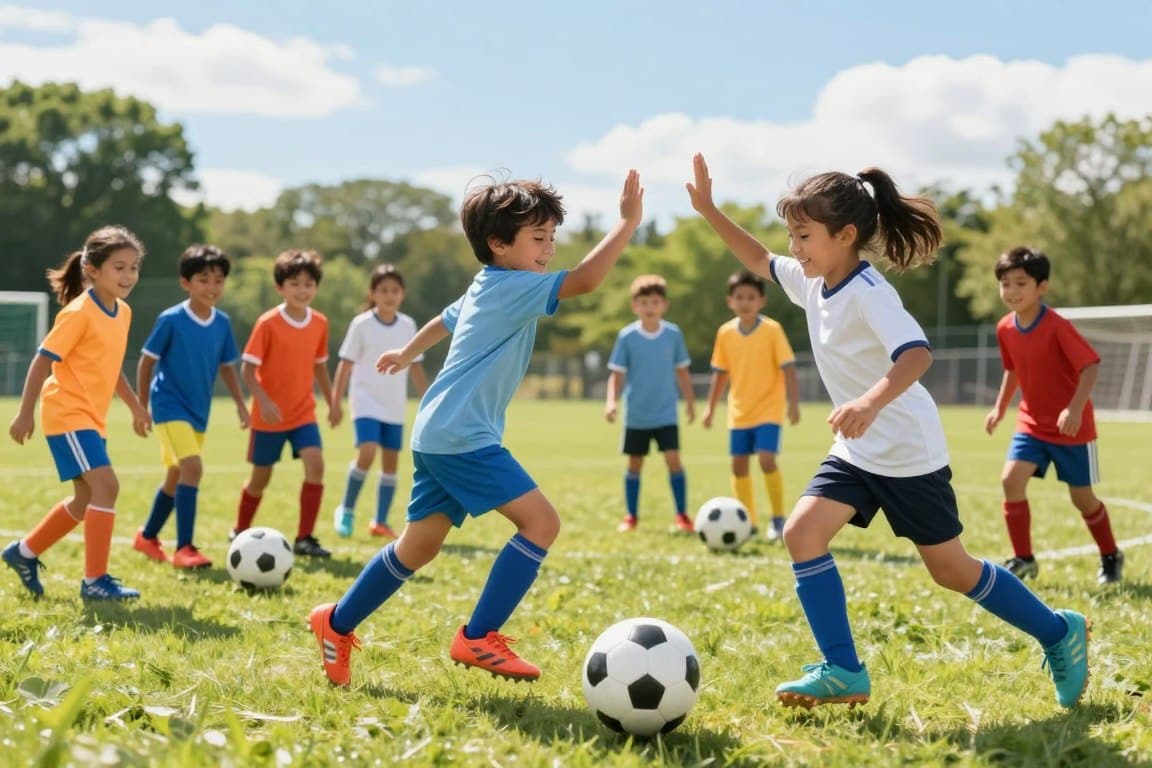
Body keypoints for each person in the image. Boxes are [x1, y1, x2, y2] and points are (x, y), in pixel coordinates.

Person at [686, 153, 1090, 709]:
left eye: (804, 235)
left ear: (846, 235)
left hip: (906, 452)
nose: (794, 247)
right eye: (792, 235)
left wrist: (871, 402)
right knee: (802, 534)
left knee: (952, 570)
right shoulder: (813, 283)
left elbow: (917, 354)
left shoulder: (870, 292)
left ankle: (1057, 631)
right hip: (856, 449)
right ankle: (844, 670)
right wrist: (708, 209)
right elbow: (757, 256)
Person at [309, 169, 643, 686]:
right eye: (538, 238)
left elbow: (444, 320)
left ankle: (335, 623)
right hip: (463, 435)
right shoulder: (514, 285)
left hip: (438, 432)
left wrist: (407, 351)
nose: (549, 249)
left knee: (416, 548)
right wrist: (626, 224)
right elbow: (586, 281)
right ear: (497, 243)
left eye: (552, 238)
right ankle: (478, 637)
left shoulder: (488, 284)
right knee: (541, 524)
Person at [4, 225, 151, 600]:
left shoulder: (123, 312)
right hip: (67, 414)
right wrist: (25, 413)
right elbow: (42, 361)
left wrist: (136, 407)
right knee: (107, 487)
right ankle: (95, 581)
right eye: (119, 267)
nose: (129, 275)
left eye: (134, 267)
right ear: (93, 269)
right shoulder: (79, 312)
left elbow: (112, 366)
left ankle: (23, 553)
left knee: (86, 499)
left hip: (91, 418)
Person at [984, 246, 1122, 584]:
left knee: (1082, 499)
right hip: (1031, 424)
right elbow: (1012, 370)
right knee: (1010, 480)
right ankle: (1024, 559)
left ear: (1041, 287)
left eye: (1020, 283)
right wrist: (1000, 408)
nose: (1011, 291)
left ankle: (1110, 555)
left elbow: (1089, 366)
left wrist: (1073, 409)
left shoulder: (1058, 326)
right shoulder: (1005, 327)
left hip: (1072, 428)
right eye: (1005, 284)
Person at [132, 244, 250, 570]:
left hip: (200, 410)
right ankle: (185, 548)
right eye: (203, 280)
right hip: (169, 405)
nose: (211, 287)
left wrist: (241, 404)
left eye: (217, 280)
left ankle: (148, 536)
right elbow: (146, 363)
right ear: (186, 283)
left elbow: (228, 366)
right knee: (193, 468)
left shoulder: (222, 323)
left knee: (176, 474)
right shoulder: (171, 319)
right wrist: (142, 407)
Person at [232, 249, 335, 558]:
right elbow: (247, 369)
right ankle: (240, 531)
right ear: (280, 287)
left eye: (308, 284)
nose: (302, 290)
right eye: (295, 284)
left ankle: (305, 538)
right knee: (260, 479)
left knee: (316, 465)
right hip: (269, 418)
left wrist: (332, 401)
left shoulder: (320, 323)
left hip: (303, 412)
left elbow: (319, 365)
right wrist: (262, 401)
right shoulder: (268, 323)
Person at [330, 264, 429, 540]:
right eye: (383, 290)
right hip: (365, 401)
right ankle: (347, 509)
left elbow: (417, 366)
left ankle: (380, 521)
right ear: (372, 293)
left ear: (403, 294)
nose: (389, 295)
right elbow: (345, 364)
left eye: (395, 290)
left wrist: (428, 400)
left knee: (390, 462)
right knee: (367, 452)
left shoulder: (408, 325)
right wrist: (336, 401)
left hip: (394, 404)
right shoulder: (361, 324)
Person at [702, 269, 800, 539]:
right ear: (730, 301)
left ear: (761, 302)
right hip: (739, 411)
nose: (745, 302)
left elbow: (789, 368)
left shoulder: (772, 330)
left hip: (769, 408)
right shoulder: (725, 333)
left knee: (767, 460)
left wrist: (793, 404)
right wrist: (710, 408)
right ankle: (748, 522)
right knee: (738, 466)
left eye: (751, 297)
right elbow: (719, 374)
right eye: (739, 297)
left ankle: (779, 520)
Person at [604, 274, 696, 534]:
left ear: (664, 305)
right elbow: (617, 374)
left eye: (655, 302)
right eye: (644, 302)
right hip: (637, 415)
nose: (649, 307)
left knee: (674, 460)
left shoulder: (673, 334)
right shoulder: (627, 337)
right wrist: (611, 402)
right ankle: (631, 516)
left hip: (666, 413)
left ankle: (682, 515)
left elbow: (682, 372)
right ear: (635, 306)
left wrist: (689, 402)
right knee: (635, 463)